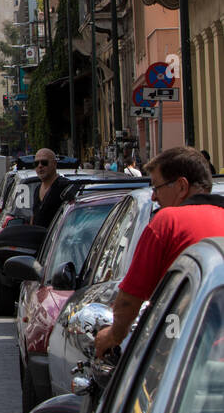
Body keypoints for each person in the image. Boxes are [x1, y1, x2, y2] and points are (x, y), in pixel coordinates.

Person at [94, 146, 224, 358]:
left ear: (182, 186)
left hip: (191, 355)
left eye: (156, 187)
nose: (154, 197)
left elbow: (129, 301)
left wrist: (113, 336)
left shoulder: (168, 222)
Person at [31, 148, 68, 230]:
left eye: (44, 162)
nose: (40, 166)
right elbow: (34, 217)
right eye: (36, 163)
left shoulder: (64, 187)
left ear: (54, 164)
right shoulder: (37, 189)